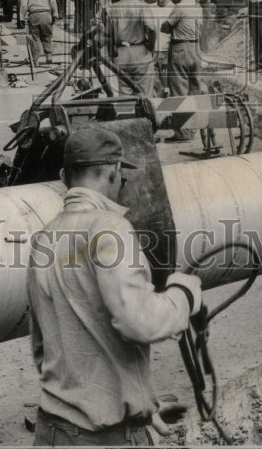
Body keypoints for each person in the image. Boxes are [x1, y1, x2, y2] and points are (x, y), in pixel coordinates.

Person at [27, 125, 202, 447]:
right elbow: (139, 321)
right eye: (121, 175)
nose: (122, 184)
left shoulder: (43, 238)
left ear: (65, 176)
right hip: (102, 438)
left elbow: (45, 349)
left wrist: (138, 401)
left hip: (51, 431)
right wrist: (184, 294)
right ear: (114, 171)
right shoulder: (111, 229)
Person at [161, 0, 202, 138]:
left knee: (178, 90)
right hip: (196, 48)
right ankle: (192, 129)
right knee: (194, 90)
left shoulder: (180, 7)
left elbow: (165, 27)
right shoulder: (197, 6)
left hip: (180, 48)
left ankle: (183, 132)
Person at [104, 0, 156, 96]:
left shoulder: (113, 8)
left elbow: (108, 36)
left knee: (125, 94)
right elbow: (151, 29)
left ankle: (126, 113)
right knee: (144, 94)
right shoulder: (143, 6)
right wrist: (151, 46)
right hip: (140, 52)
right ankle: (144, 114)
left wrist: (112, 55)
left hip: (121, 54)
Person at [19, 0, 58, 66]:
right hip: (46, 14)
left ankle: (35, 61)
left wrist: (21, 18)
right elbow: (53, 2)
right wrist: (55, 14)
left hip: (34, 15)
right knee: (47, 35)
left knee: (35, 38)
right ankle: (49, 56)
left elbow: (24, 4)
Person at [147, 0, 173, 96]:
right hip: (152, 50)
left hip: (167, 50)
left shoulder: (174, 8)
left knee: (168, 85)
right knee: (154, 83)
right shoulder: (150, 8)